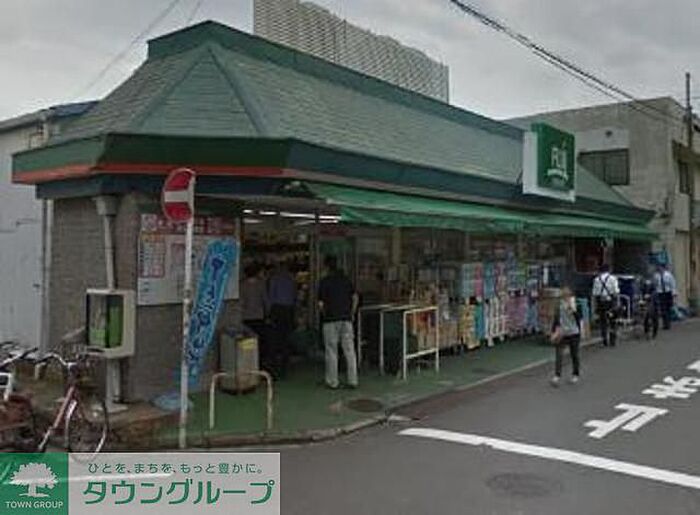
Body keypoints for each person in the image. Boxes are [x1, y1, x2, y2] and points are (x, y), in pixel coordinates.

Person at [318, 255, 359, 389]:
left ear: (326, 266)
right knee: (349, 349)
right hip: (346, 319)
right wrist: (351, 313)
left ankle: (332, 381)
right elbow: (355, 297)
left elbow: (321, 304)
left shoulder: (324, 282)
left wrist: (324, 314)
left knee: (331, 350)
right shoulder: (346, 280)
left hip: (330, 320)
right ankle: (353, 380)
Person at [267, 260, 297, 378]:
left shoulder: (274, 279)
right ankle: (285, 365)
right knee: (286, 338)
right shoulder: (291, 279)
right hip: (288, 310)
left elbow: (271, 297)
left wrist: (269, 314)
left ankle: (274, 365)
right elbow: (294, 297)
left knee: (274, 338)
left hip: (276, 309)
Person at [550, 287, 581, 386]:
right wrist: (553, 332)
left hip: (574, 333)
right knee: (559, 354)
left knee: (574, 354)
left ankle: (575, 374)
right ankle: (557, 375)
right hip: (562, 333)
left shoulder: (575, 304)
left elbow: (579, 318)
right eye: (564, 297)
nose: (566, 299)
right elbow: (556, 319)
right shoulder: (559, 306)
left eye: (567, 296)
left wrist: (573, 310)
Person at [241, 263, 270, 367]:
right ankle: (259, 362)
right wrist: (268, 314)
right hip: (259, 316)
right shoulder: (261, 284)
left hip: (246, 317)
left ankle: (248, 361)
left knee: (247, 340)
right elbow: (266, 300)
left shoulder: (242, 285)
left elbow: (241, 302)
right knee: (260, 341)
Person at [592, 263, 619, 346]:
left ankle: (604, 339)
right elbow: (616, 291)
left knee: (603, 321)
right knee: (612, 321)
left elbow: (595, 293)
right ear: (609, 269)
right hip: (610, 302)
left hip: (601, 302)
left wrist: (595, 306)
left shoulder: (597, 279)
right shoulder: (613, 278)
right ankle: (612, 340)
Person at [653, 264, 677, 330]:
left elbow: (672, 284)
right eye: (658, 268)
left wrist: (674, 293)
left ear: (663, 268)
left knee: (668, 308)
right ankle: (665, 323)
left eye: (660, 268)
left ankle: (668, 322)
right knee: (663, 309)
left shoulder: (668, 275)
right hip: (660, 293)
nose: (659, 269)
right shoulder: (656, 276)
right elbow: (655, 285)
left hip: (667, 293)